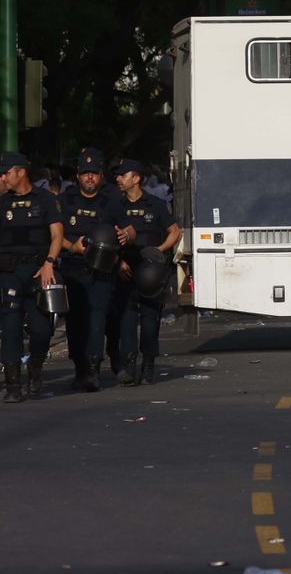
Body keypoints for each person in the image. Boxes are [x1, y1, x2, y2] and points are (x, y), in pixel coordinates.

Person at [0, 152, 65, 402]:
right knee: (11, 329)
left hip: (39, 273)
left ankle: (35, 368)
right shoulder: (3, 203)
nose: (3, 176)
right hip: (9, 274)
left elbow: (57, 235)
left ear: (21, 172)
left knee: (41, 331)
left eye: (7, 172)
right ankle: (14, 386)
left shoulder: (46, 200)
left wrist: (49, 263)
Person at [111, 160, 181, 386]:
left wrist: (158, 251)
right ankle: (128, 367)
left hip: (151, 272)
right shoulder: (116, 205)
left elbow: (174, 232)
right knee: (127, 320)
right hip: (125, 270)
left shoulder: (155, 204)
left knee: (150, 320)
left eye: (123, 175)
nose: (119, 179)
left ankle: (148, 366)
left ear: (136, 178)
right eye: (118, 176)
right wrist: (118, 261)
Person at [60, 148, 120, 392]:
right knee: (75, 322)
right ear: (78, 175)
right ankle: (80, 367)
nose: (89, 178)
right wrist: (72, 246)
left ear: (100, 175)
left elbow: (125, 229)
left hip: (101, 269)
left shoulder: (112, 199)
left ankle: (93, 370)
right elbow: (55, 234)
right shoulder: (66, 199)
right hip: (74, 268)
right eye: (85, 173)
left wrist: (127, 235)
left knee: (97, 318)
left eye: (93, 173)